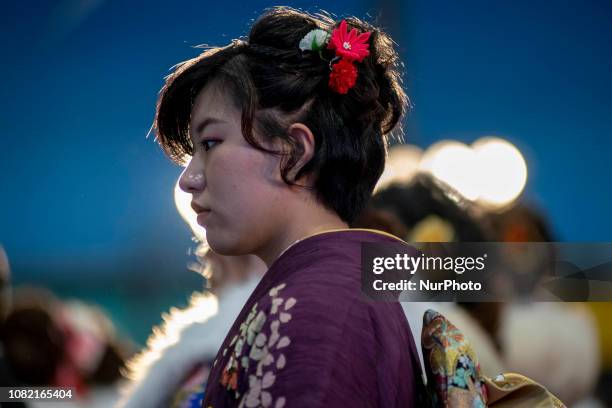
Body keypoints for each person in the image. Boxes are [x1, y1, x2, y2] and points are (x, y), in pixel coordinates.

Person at [152, 7, 423, 407]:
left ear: (295, 151)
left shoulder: (315, 310)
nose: (188, 179)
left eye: (210, 144)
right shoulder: (339, 289)